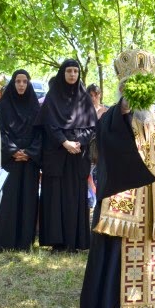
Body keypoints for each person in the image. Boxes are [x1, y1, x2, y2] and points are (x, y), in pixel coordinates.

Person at [79, 48, 155, 308]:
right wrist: (124, 108)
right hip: (125, 205)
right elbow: (106, 142)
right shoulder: (113, 118)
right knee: (119, 256)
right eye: (130, 86)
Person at [36, 59, 97, 252]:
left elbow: (92, 127)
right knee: (56, 198)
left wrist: (77, 142)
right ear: (63, 73)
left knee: (74, 196)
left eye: (75, 71)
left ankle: (75, 241)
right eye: (69, 71)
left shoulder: (84, 99)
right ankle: (57, 242)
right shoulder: (52, 97)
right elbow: (49, 125)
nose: (72, 74)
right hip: (56, 156)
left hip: (77, 156)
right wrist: (65, 142)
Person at [0, 70, 42, 252]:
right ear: (13, 83)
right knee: (8, 200)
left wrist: (30, 152)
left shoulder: (35, 107)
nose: (21, 85)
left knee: (28, 200)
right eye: (18, 81)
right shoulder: (3, 107)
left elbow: (40, 134)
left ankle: (24, 242)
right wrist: (12, 151)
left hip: (29, 161)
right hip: (10, 161)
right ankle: (4, 240)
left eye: (24, 81)